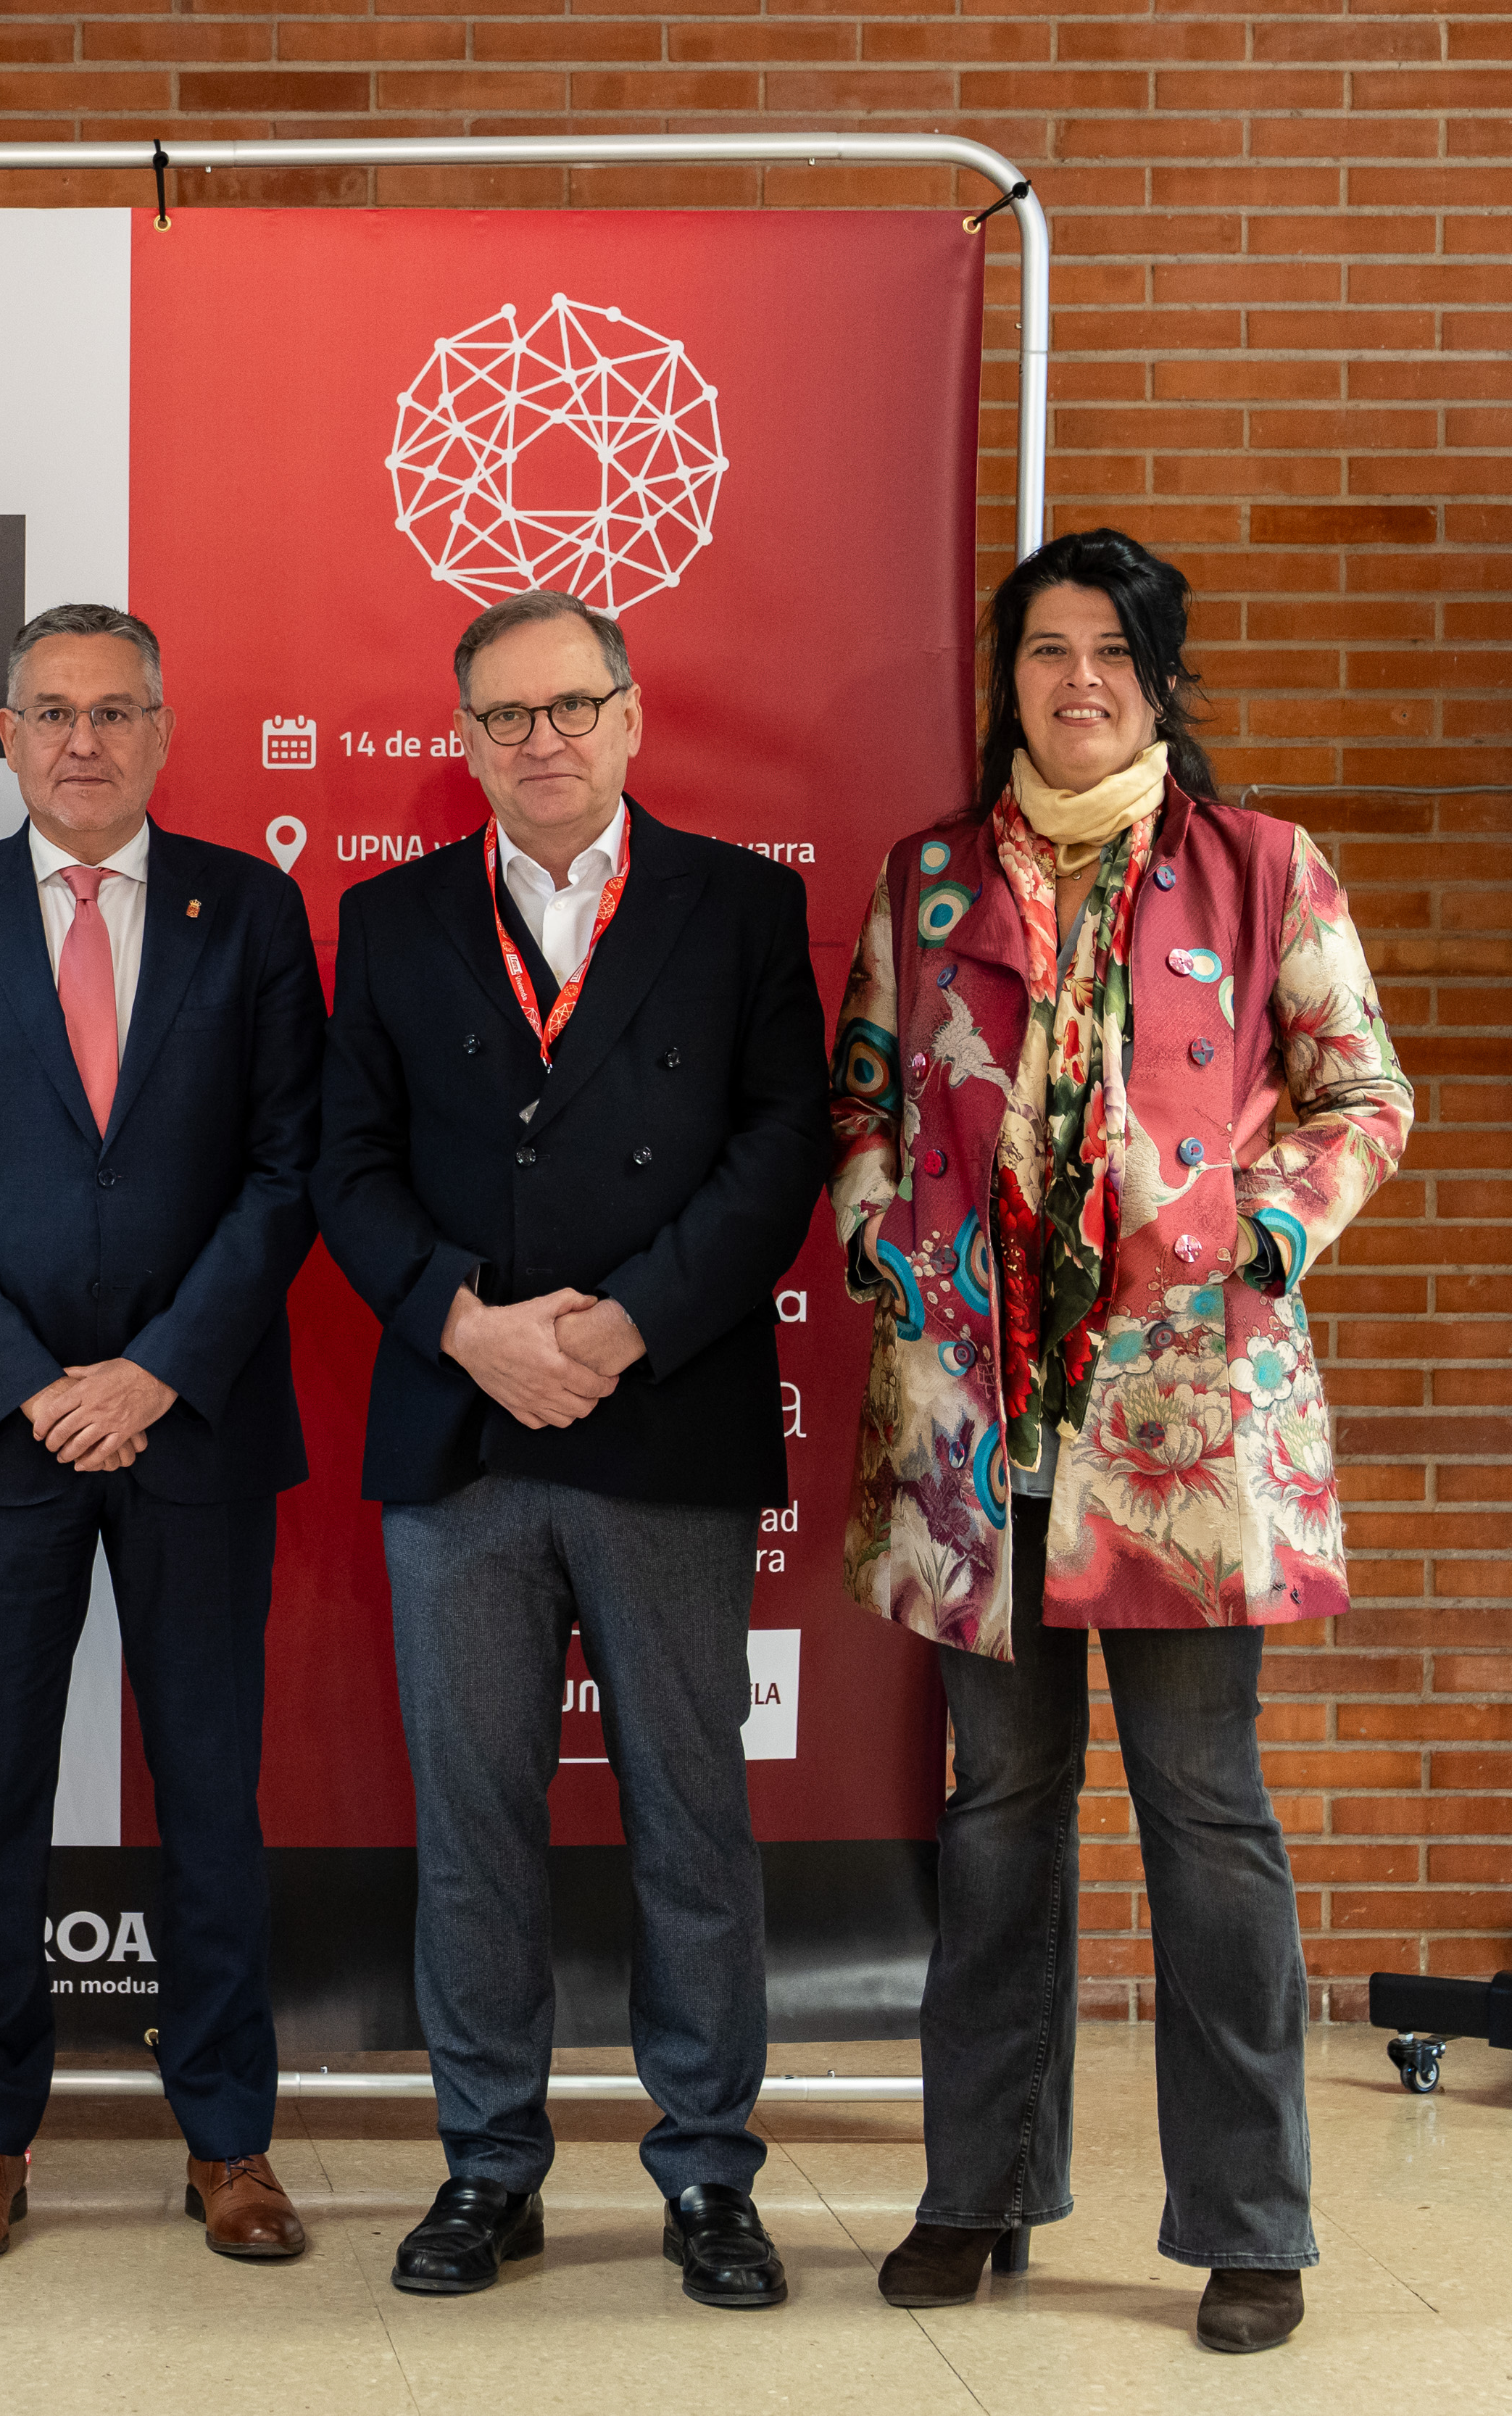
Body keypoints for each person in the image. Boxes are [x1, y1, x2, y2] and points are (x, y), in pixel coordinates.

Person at [832, 529, 1410, 2356]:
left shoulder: (1262, 866)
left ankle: (1247, 2223)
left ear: (1157, 681)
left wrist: (1257, 1229)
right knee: (1000, 1811)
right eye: (1044, 649)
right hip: (977, 1427)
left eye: (1109, 652)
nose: (1074, 679)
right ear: (1005, 677)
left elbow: (1361, 1092)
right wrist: (878, 1232)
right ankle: (978, 2188)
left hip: (1179, 1425)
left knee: (1205, 1812)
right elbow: (862, 1094)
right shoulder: (927, 877)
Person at [312, 588, 828, 2310]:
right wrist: (464, 1325)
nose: (540, 738)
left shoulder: (739, 903)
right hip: (459, 1428)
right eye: (505, 715)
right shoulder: (388, 919)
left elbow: (779, 1147)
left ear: (629, 715)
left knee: (690, 1812)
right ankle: (487, 2162)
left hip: (662, 1415)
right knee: (474, 1817)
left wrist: (620, 1327)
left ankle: (709, 2170)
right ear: (462, 740)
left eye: (569, 704)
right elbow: (346, 1163)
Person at [0, 602, 325, 2264]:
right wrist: (32, 1380)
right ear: (4, 735)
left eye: (114, 710)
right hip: (1, 1434)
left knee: (208, 1786)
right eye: (50, 711)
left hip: (195, 1425)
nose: (81, 740)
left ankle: (229, 2139)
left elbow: (288, 1168)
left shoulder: (248, 909)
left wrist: (155, 1371)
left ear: (161, 732)